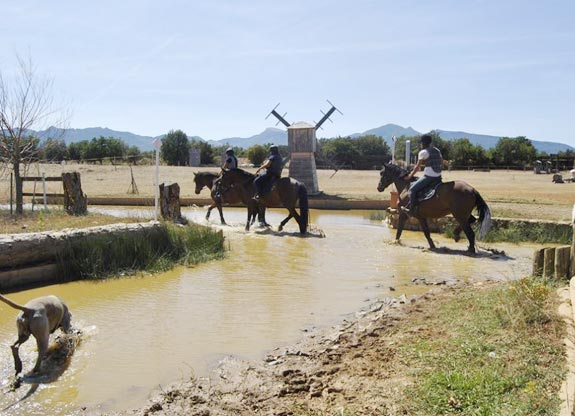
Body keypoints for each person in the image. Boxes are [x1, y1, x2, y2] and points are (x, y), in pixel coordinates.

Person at [401, 134, 443, 214]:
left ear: (423, 143)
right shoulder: (437, 150)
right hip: (438, 177)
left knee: (412, 190)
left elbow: (417, 167)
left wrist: (410, 176)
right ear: (430, 142)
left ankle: (411, 210)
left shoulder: (423, 152)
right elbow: (441, 161)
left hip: (429, 177)